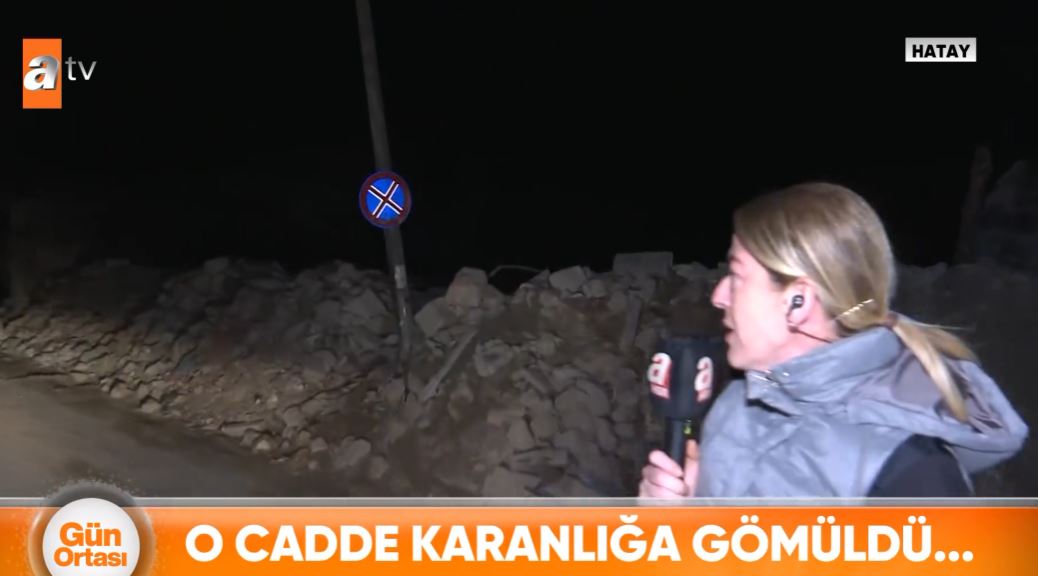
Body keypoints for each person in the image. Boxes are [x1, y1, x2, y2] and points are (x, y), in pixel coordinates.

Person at [639, 182, 1029, 498]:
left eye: (737, 276)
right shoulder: (736, 406)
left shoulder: (910, 472)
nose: (718, 295)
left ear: (798, 302)